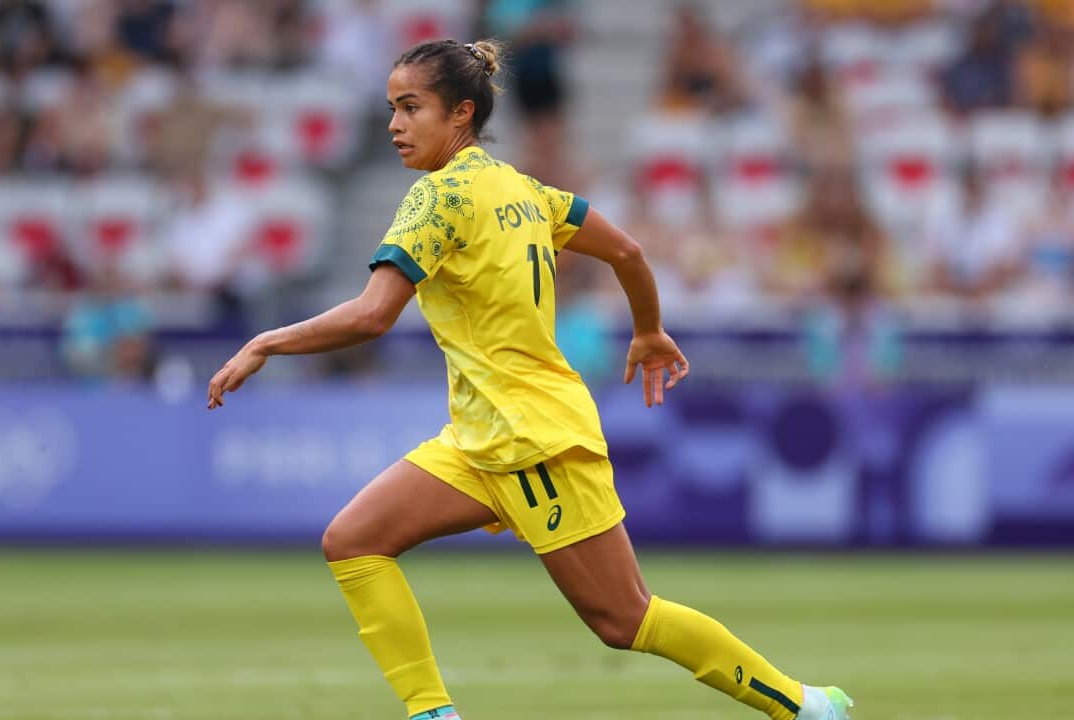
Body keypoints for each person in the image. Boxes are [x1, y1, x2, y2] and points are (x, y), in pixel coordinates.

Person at [206, 39, 853, 720]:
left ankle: (806, 706)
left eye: (409, 107)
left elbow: (373, 316)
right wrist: (648, 329)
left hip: (530, 439)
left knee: (625, 620)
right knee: (353, 540)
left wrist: (267, 341)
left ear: (459, 114)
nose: (394, 124)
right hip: (483, 436)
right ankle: (433, 715)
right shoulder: (523, 189)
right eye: (391, 109)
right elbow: (627, 251)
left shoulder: (437, 198)